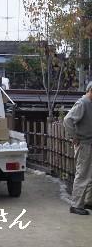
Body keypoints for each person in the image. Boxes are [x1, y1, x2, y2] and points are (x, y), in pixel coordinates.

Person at [63, 81, 92, 215]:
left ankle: (87, 201)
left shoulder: (88, 103)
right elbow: (67, 120)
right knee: (83, 174)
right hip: (85, 144)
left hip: (88, 143)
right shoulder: (83, 103)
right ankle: (76, 205)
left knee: (89, 174)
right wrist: (74, 136)